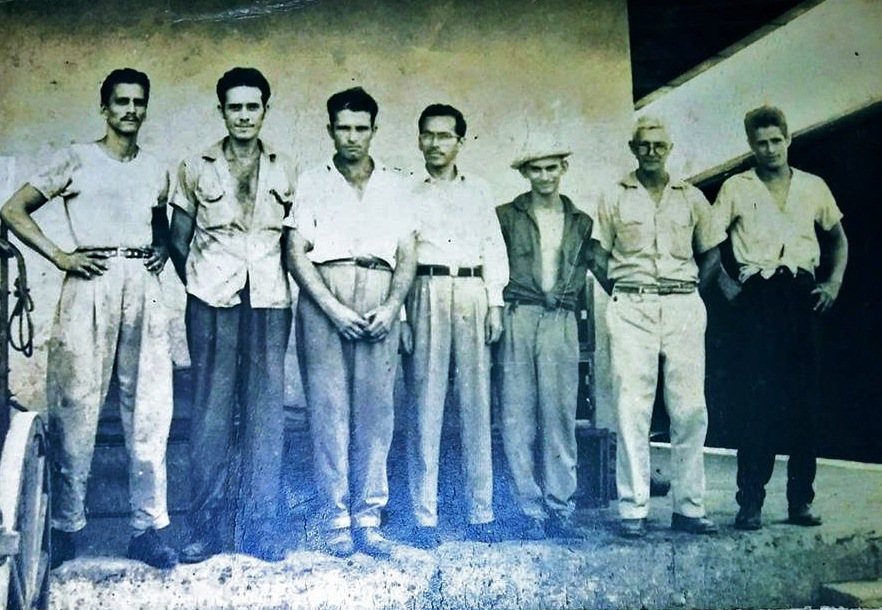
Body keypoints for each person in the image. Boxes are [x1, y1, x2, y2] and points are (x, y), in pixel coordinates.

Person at [0, 68, 178, 569]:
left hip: (142, 288)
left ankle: (147, 528)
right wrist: (60, 256)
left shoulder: (156, 168)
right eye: (120, 101)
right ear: (104, 108)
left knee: (149, 407)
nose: (130, 110)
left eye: (138, 102)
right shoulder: (77, 158)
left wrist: (160, 247)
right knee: (77, 406)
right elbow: (12, 209)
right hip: (89, 283)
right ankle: (67, 529)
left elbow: (158, 222)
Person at [169, 67, 296, 562]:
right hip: (212, 301)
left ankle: (261, 530)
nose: (244, 116)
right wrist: (204, 285)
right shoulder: (196, 165)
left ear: (266, 109)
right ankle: (205, 528)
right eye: (234, 107)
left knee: (266, 416)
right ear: (221, 110)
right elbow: (179, 241)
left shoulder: (286, 167)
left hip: (268, 300)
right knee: (210, 415)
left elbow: (290, 240)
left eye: (253, 106)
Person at [284, 87, 416, 558]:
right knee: (329, 410)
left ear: (375, 131)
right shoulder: (311, 180)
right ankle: (335, 517)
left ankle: (369, 518)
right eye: (344, 127)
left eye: (362, 128)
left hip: (380, 293)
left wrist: (393, 305)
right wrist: (331, 307)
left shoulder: (397, 185)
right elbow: (295, 253)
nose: (353, 137)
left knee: (377, 413)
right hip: (326, 294)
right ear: (330, 130)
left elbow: (407, 254)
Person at [715, 105, 848, 531]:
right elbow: (709, 241)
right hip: (758, 298)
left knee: (804, 401)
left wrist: (833, 284)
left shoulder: (813, 187)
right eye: (761, 142)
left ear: (788, 140)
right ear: (750, 145)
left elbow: (839, 239)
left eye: (776, 140)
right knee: (757, 402)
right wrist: (725, 283)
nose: (770, 149)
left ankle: (800, 502)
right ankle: (750, 502)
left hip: (802, 296)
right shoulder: (736, 187)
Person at [593, 116, 722, 539]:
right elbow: (598, 255)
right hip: (632, 304)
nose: (651, 152)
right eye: (643, 145)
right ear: (633, 149)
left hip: (683, 303)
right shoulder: (614, 196)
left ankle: (689, 507)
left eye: (659, 145)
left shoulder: (692, 198)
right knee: (632, 407)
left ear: (669, 149)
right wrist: (628, 291)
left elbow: (712, 255)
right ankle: (634, 509)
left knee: (690, 409)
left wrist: (686, 294)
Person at [401, 104, 508, 548]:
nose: (434, 144)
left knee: (475, 404)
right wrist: (404, 316)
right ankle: (423, 516)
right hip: (424, 290)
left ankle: (480, 513)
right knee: (425, 404)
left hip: (470, 291)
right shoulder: (407, 192)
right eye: (427, 135)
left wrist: (495, 302)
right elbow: (398, 256)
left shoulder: (479, 190)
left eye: (444, 136)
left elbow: (492, 246)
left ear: (461, 141)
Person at [495, 137, 595, 540]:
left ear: (563, 170)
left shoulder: (580, 220)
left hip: (561, 318)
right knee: (518, 413)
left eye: (552, 167)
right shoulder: (506, 215)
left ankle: (559, 505)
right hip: (520, 313)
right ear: (524, 173)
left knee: (558, 413)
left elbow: (597, 265)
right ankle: (527, 507)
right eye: (536, 168)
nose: (545, 176)